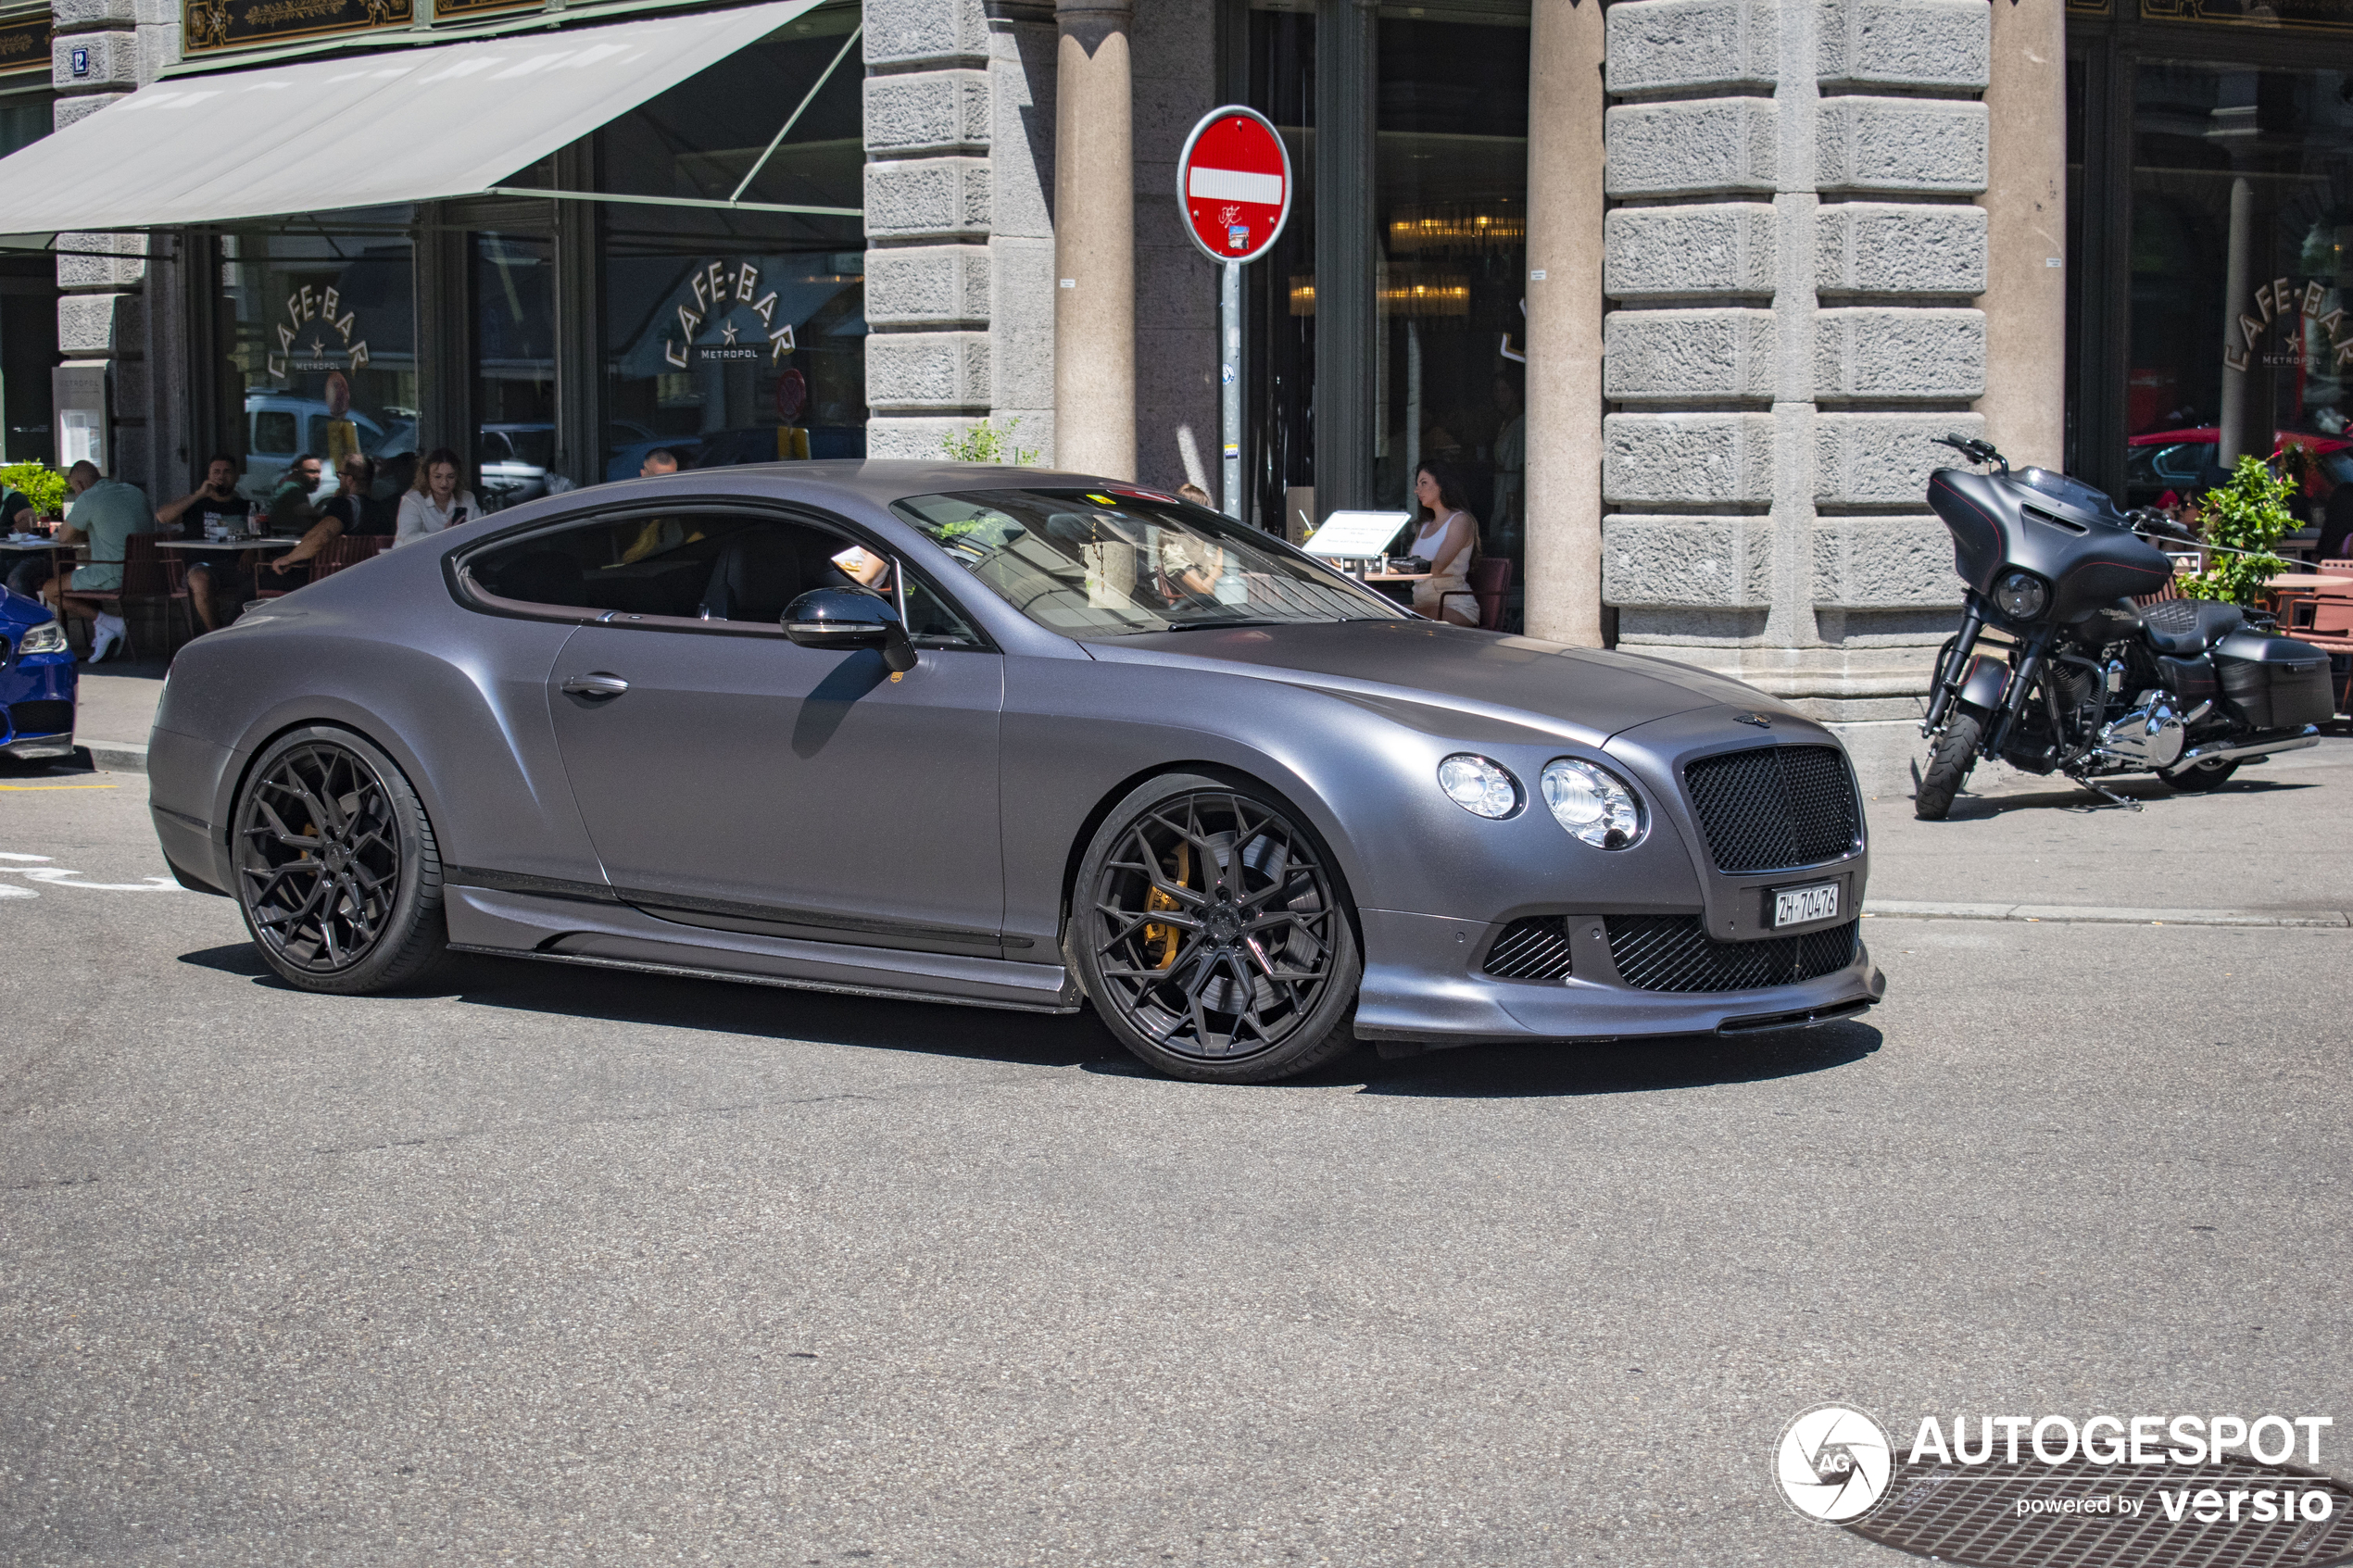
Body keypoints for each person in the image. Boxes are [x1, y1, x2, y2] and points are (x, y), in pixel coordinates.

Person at [43, 460, 149, 660]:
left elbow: (64, 537)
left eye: (74, 489)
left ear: (80, 485)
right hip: (146, 575)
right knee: (82, 577)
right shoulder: (136, 492)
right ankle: (104, 627)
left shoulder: (90, 497)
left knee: (50, 588)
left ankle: (107, 621)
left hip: (113, 574)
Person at [263, 453, 381, 583]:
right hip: (361, 580)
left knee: (250, 586)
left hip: (322, 583)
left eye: (340, 475)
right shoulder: (379, 510)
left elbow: (321, 536)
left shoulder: (344, 504)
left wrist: (289, 559)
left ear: (349, 480)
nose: (339, 480)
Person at [1403, 459, 1480, 627]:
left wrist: (1397, 567)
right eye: (1417, 484)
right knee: (1388, 615)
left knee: (1396, 617)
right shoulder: (1423, 526)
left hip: (1454, 607)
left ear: (1442, 485)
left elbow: (1438, 566)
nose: (1417, 490)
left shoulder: (1460, 521)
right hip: (1422, 607)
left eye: (1424, 483)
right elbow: (1408, 565)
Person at [393, 448, 479, 547]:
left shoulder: (468, 498)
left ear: (457, 477)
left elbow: (482, 531)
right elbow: (407, 538)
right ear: (427, 476)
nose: (444, 483)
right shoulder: (413, 500)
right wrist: (444, 536)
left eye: (450, 477)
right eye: (438, 477)